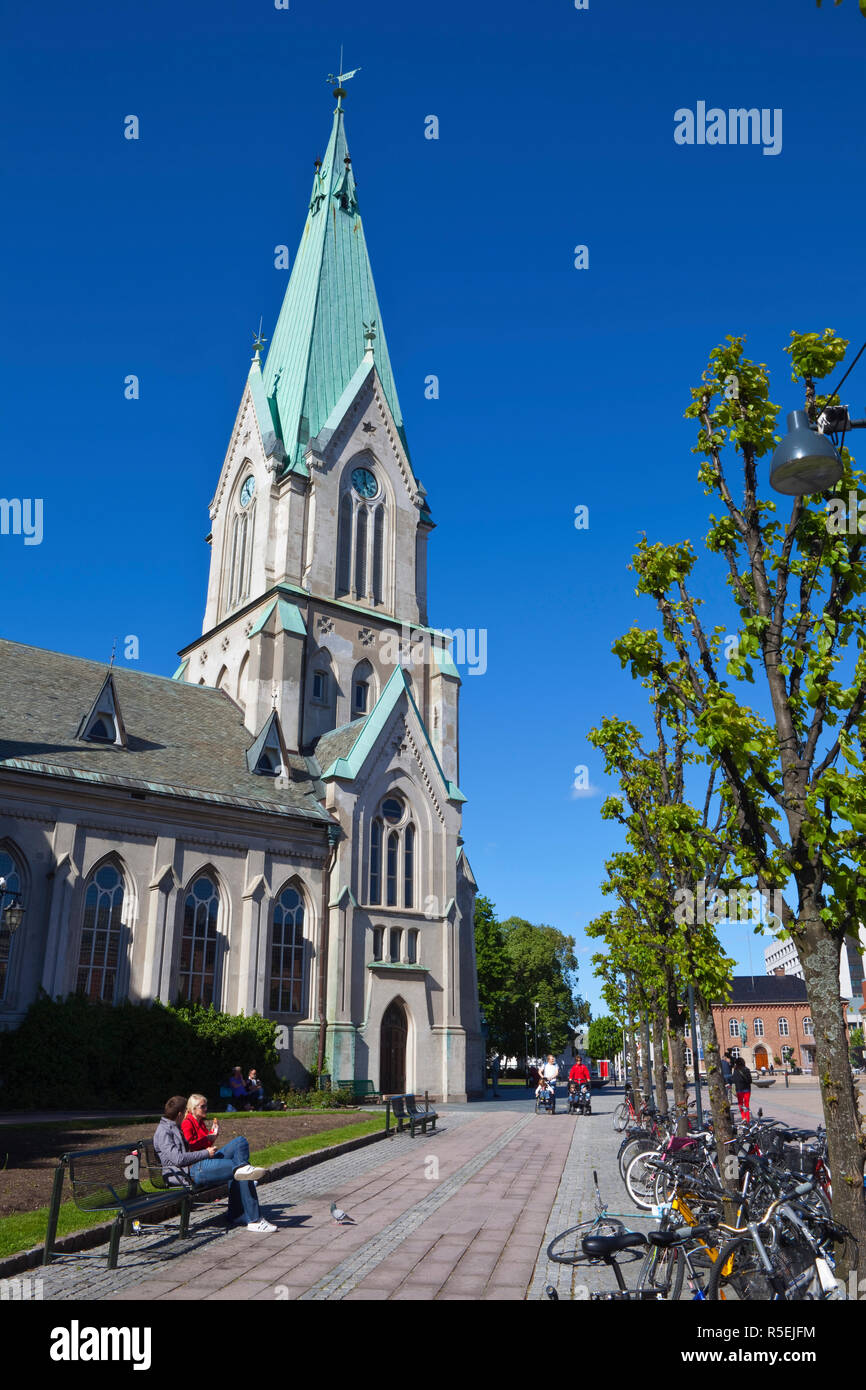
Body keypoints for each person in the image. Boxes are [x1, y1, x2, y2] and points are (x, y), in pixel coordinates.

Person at [153, 1094, 276, 1233]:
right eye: (186, 1112)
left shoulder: (175, 1126)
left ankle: (237, 1213)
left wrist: (209, 1140)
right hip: (188, 1173)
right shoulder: (164, 1132)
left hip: (199, 1164)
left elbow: (191, 1148)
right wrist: (206, 1153)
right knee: (242, 1169)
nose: (187, 1115)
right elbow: (178, 1159)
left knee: (240, 1143)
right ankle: (254, 1220)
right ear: (181, 1114)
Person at [732, 1058, 752, 1123]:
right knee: (746, 1104)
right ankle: (748, 1119)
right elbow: (750, 1080)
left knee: (740, 1104)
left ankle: (743, 1117)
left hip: (739, 1090)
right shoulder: (747, 1069)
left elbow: (733, 1079)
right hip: (747, 1089)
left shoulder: (736, 1070)